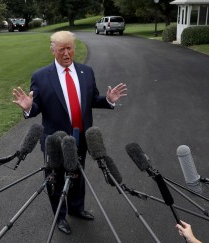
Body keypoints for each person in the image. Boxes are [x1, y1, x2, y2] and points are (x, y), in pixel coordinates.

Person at [12, 31, 127, 235]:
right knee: (55, 180)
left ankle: (76, 208)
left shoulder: (86, 72)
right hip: (54, 142)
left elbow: (91, 99)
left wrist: (108, 100)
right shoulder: (40, 76)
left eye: (70, 48)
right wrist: (28, 107)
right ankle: (60, 216)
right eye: (61, 49)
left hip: (80, 138)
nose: (67, 53)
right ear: (53, 50)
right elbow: (36, 106)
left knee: (77, 175)